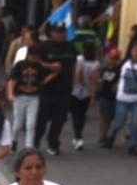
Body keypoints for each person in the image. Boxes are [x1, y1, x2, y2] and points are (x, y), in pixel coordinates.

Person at [34, 23, 76, 156]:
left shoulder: (70, 46)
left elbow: (74, 65)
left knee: (59, 119)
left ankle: (53, 144)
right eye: (58, 32)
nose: (60, 34)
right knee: (42, 118)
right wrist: (50, 66)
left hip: (64, 89)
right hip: (47, 89)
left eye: (63, 32)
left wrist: (74, 83)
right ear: (52, 33)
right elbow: (34, 62)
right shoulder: (44, 47)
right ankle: (35, 143)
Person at [7, 46, 58, 149]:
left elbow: (53, 70)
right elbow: (12, 81)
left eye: (36, 56)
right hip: (19, 97)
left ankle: (29, 147)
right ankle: (13, 139)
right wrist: (10, 94)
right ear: (28, 55)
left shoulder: (40, 66)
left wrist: (51, 74)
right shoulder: (20, 65)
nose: (34, 58)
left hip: (34, 98)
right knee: (18, 124)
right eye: (33, 56)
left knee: (31, 123)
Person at [106, 42, 137, 156]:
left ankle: (132, 146)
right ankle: (112, 137)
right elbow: (119, 76)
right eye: (135, 50)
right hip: (122, 99)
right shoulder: (126, 64)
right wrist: (116, 86)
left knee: (135, 123)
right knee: (119, 122)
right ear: (131, 52)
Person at [69, 40, 101, 151]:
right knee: (81, 116)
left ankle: (78, 137)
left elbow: (76, 78)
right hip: (86, 93)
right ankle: (78, 136)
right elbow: (94, 82)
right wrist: (93, 97)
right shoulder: (96, 64)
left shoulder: (79, 60)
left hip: (75, 92)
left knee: (75, 115)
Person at [95, 48, 121, 148]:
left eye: (115, 58)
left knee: (109, 118)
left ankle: (105, 135)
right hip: (103, 96)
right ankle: (102, 136)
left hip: (113, 98)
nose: (113, 60)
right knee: (103, 117)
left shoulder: (119, 70)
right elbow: (100, 81)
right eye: (111, 58)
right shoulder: (104, 69)